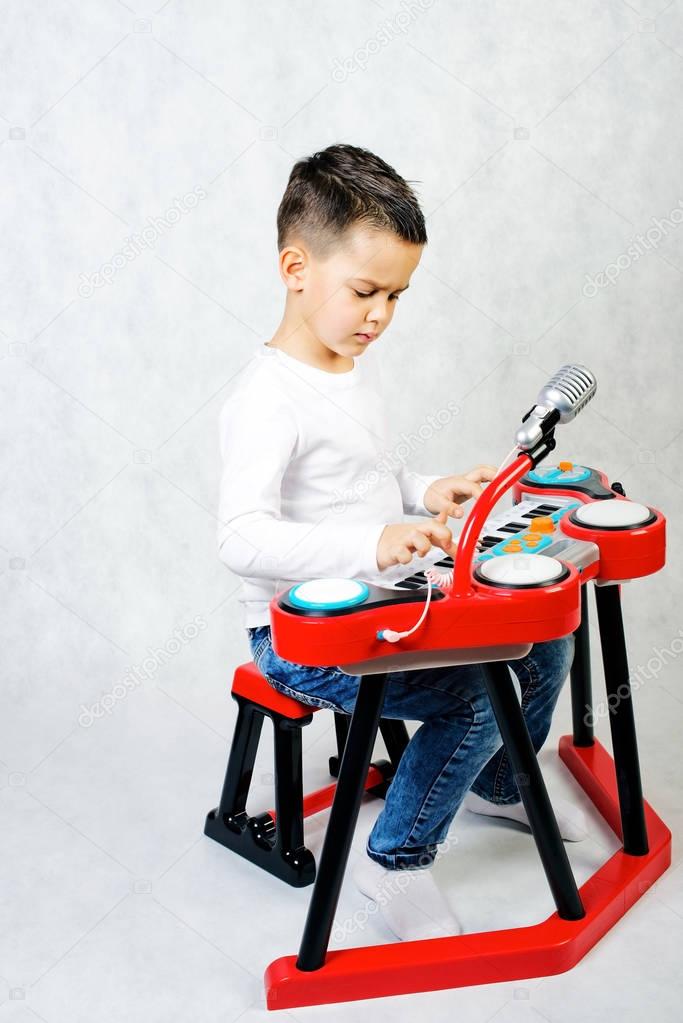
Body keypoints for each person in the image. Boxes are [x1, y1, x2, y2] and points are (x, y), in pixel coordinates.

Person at [216, 143, 586, 942]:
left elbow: (364, 475)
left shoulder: (347, 364)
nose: (381, 313)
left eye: (396, 295)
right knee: (477, 692)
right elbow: (242, 538)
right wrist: (371, 540)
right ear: (295, 268)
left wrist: (424, 489)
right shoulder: (266, 398)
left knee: (542, 634)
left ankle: (494, 777)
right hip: (301, 637)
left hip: (381, 606)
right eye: (365, 290)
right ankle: (395, 865)